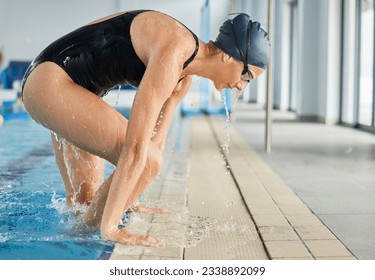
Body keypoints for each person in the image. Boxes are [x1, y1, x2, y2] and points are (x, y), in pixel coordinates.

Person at [21, 10, 270, 246]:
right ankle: (93, 240)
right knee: (140, 170)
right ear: (228, 55)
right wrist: (112, 226)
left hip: (68, 89)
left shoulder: (184, 73)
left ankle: (71, 250)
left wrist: (130, 196)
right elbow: (138, 149)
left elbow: (154, 143)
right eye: (246, 76)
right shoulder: (175, 50)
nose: (241, 86)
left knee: (83, 204)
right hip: (50, 83)